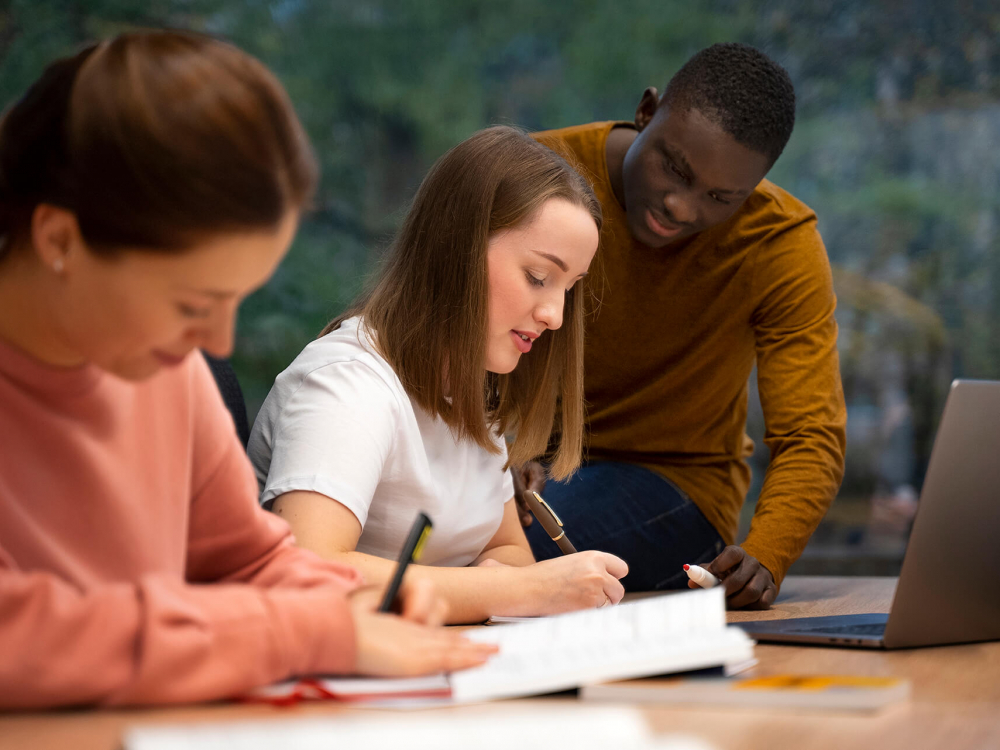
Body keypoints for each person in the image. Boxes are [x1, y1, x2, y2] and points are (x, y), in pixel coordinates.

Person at [0, 31, 494, 710]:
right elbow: (20, 636)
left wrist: (355, 601)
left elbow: (249, 563)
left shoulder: (168, 370)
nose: (218, 339)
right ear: (60, 239)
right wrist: (304, 631)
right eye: (194, 303)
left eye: (237, 300)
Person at [249, 126, 628, 624]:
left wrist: (508, 584)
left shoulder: (472, 388)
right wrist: (510, 590)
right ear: (457, 249)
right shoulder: (346, 384)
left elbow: (509, 552)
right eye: (538, 277)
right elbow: (311, 571)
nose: (555, 315)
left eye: (569, 288)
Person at [521, 42, 847, 609]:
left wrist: (767, 551)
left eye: (722, 197)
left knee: (505, 551)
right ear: (647, 111)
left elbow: (809, 435)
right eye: (674, 167)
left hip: (673, 485)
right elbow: (443, 330)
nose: (682, 206)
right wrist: (492, 447)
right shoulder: (535, 177)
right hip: (518, 460)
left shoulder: (779, 245)